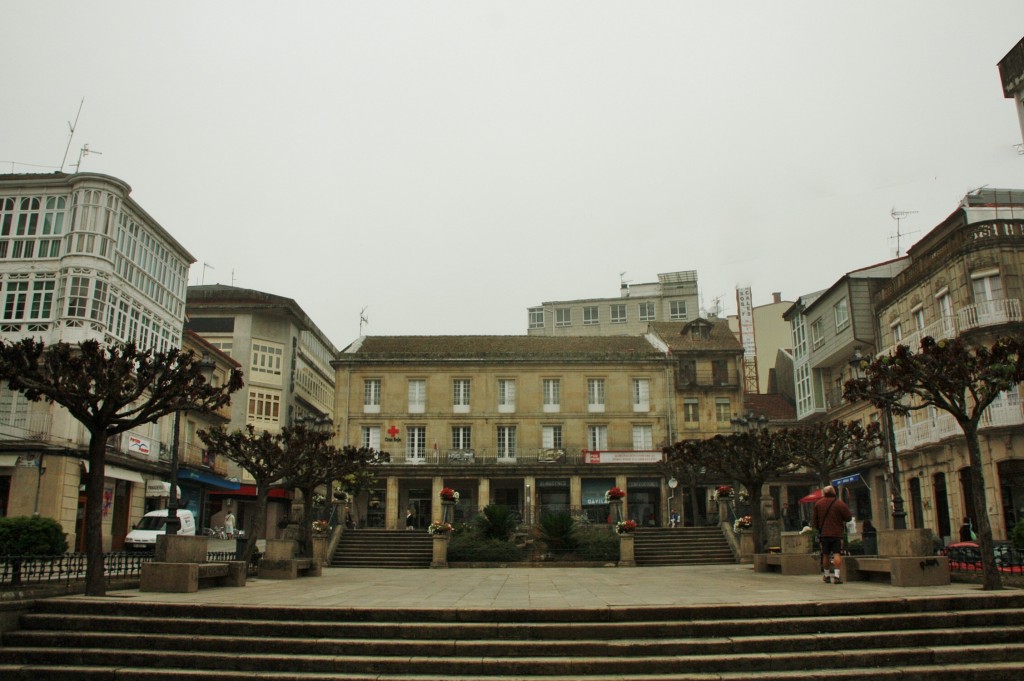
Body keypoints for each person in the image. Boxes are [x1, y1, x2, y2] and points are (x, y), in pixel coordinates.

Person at [812, 485, 852, 584]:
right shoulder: (839, 503)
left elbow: (814, 521)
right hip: (837, 533)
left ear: (824, 493)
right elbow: (848, 517)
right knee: (837, 554)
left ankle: (826, 575)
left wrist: (819, 528)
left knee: (825, 554)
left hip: (824, 534)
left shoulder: (818, 504)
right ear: (834, 492)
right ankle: (837, 576)